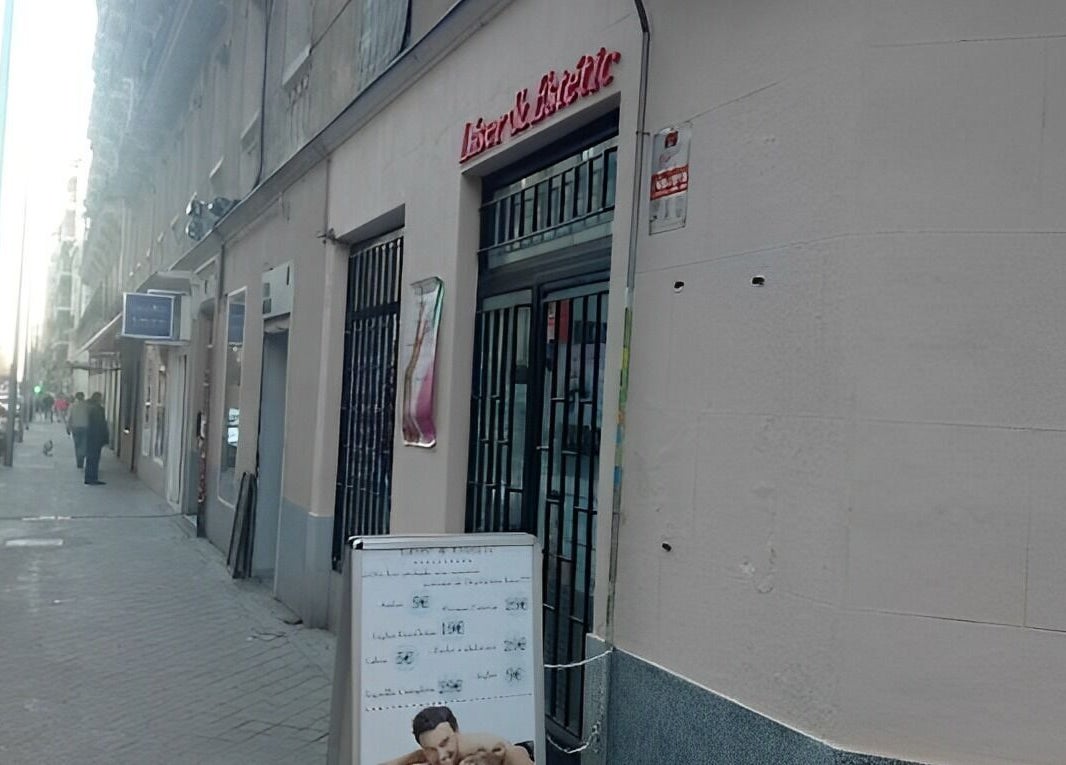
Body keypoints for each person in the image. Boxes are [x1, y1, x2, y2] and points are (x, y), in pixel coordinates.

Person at [379, 706, 534, 765]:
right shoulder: (432, 755)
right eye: (431, 749)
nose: (441, 756)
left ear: (457, 732)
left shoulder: (483, 746)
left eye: (444, 743)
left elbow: (517, 752)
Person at [83, 392, 109, 486]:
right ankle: (92, 478)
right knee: (94, 458)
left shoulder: (89, 408)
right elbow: (101, 425)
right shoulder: (97, 409)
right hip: (96, 437)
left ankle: (89, 477)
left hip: (90, 436)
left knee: (91, 458)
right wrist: (104, 437)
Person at [68, 392, 90, 469]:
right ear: (83, 397)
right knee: (83, 444)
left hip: (75, 428)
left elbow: (69, 417)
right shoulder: (87, 406)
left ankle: (79, 461)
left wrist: (68, 427)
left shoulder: (72, 406)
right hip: (85, 427)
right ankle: (82, 457)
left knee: (77, 444)